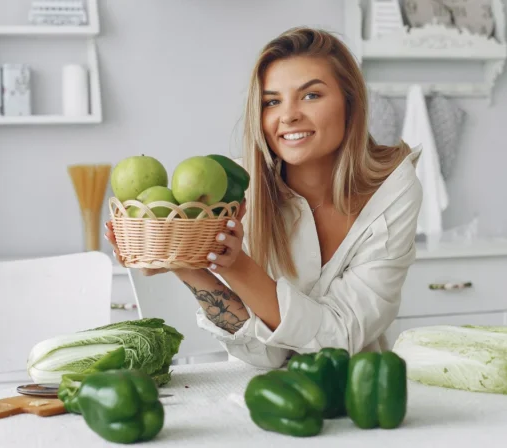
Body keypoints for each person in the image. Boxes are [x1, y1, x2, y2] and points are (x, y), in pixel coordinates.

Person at [105, 26, 423, 369]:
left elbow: (340, 338)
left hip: (358, 392)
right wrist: (186, 262)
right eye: (272, 101)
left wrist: (238, 264)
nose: (288, 115)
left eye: (311, 95)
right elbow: (265, 354)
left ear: (351, 103)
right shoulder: (232, 192)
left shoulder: (392, 191)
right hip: (263, 396)